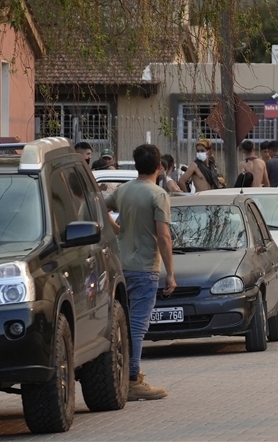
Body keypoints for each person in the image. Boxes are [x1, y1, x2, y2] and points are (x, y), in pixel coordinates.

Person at [103, 144, 176, 401]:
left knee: (122, 324)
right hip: (146, 268)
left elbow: (100, 205)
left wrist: (116, 228)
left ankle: (127, 375)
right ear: (160, 167)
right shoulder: (158, 195)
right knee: (137, 325)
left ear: (134, 166)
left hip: (121, 268)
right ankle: (132, 377)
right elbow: (164, 237)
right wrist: (171, 273)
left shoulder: (123, 190)